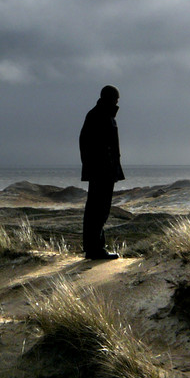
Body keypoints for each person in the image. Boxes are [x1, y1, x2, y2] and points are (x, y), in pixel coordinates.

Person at [79, 85, 125, 260]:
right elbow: (86, 143)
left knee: (101, 209)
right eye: (116, 99)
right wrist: (95, 166)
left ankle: (96, 247)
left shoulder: (105, 115)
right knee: (97, 209)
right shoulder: (97, 115)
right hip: (101, 171)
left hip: (106, 170)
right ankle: (94, 249)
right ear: (109, 98)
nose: (117, 102)